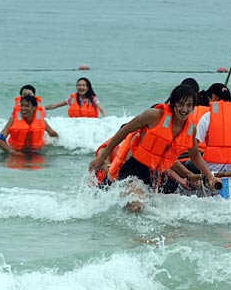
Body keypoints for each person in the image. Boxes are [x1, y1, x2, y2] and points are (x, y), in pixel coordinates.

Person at [89, 84, 221, 204]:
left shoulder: (191, 130)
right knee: (136, 205)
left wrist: (210, 177)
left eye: (189, 105)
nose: (184, 109)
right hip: (134, 169)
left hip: (156, 176)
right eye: (181, 104)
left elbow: (195, 155)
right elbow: (125, 130)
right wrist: (102, 157)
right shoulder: (153, 116)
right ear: (173, 104)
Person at [193, 82, 231, 173]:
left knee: (189, 164)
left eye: (209, 98)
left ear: (214, 97)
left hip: (213, 166)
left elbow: (194, 143)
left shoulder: (208, 115)